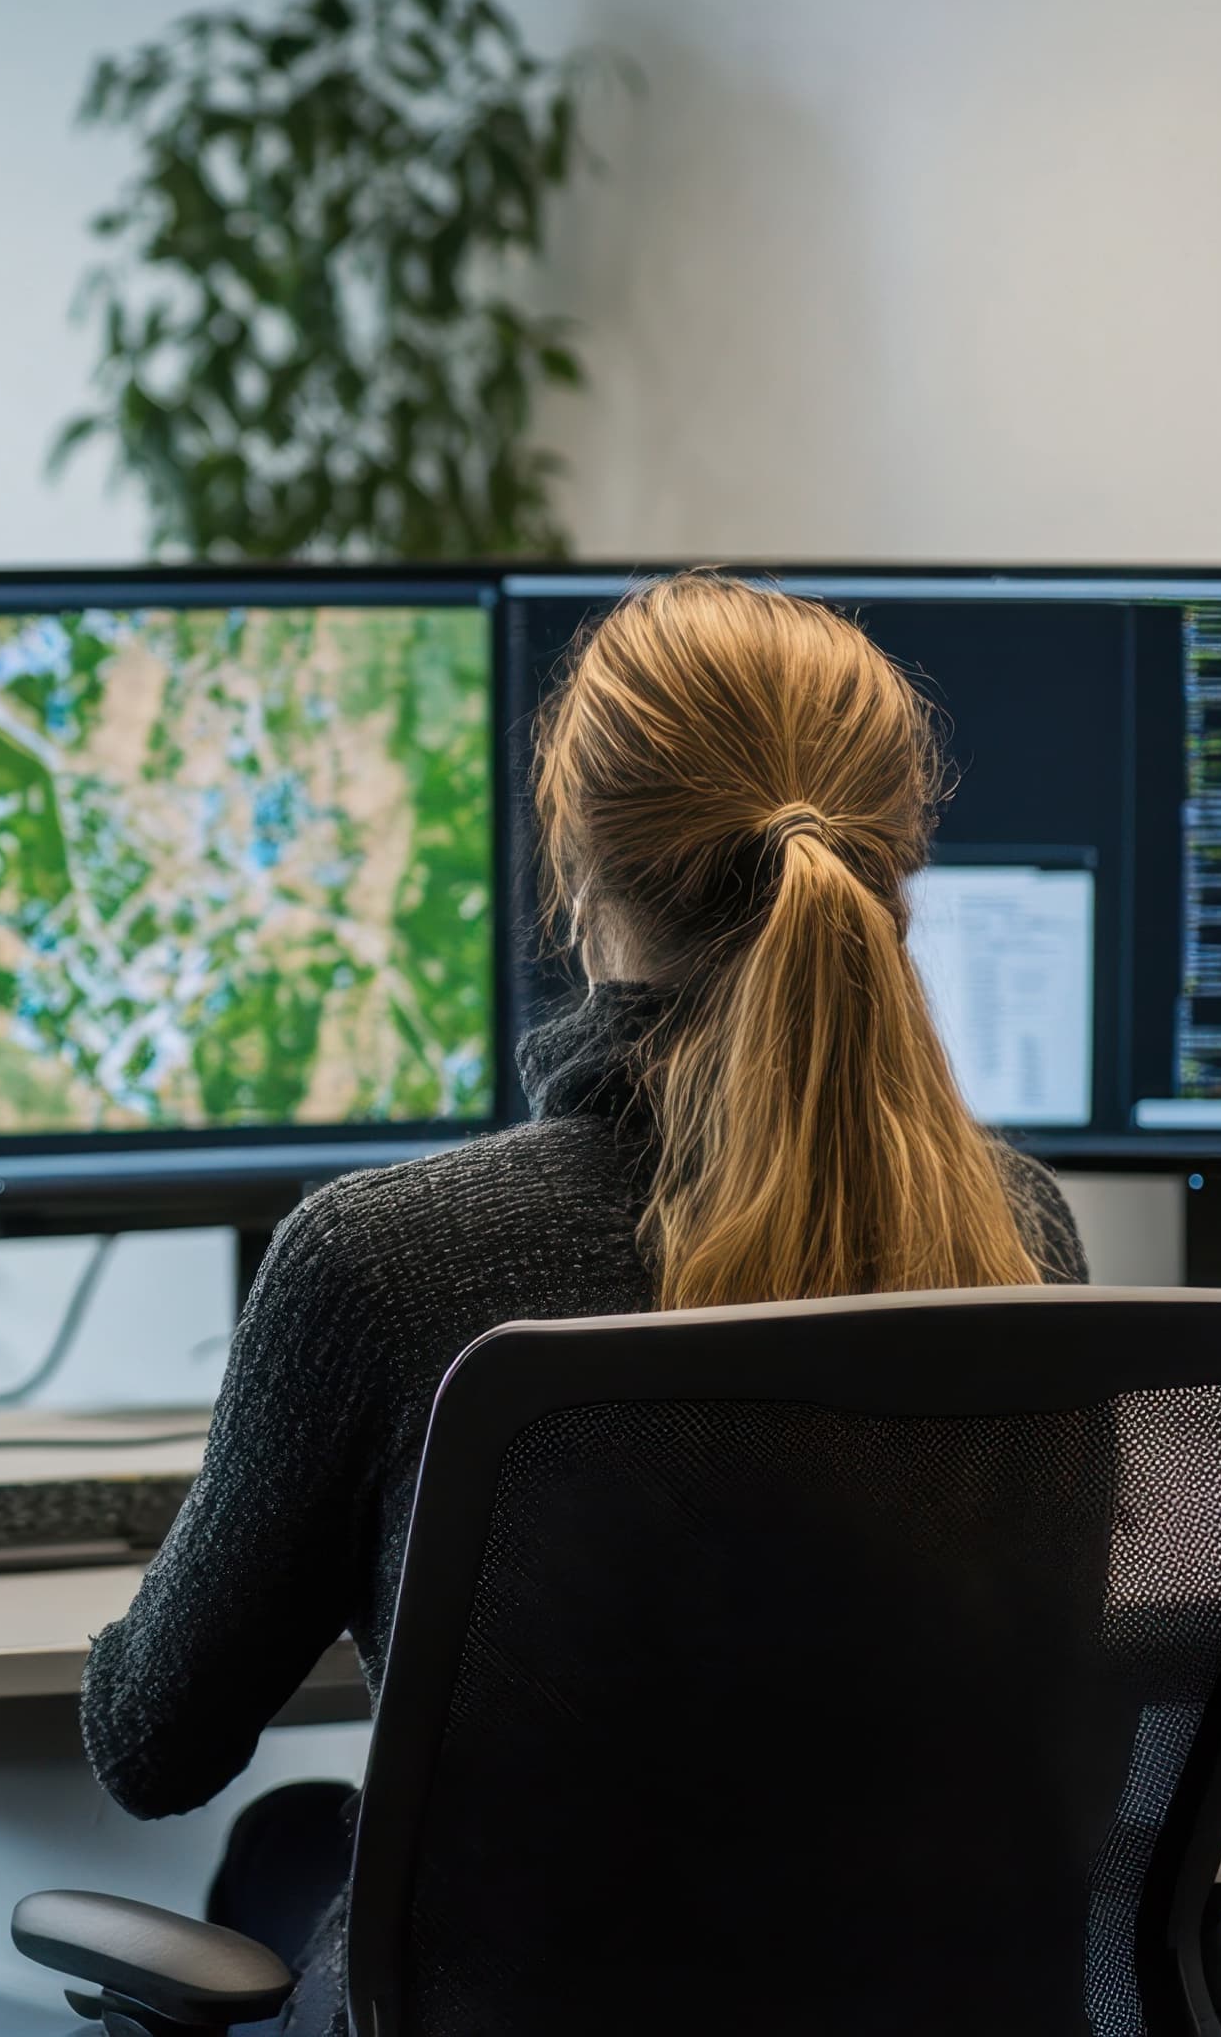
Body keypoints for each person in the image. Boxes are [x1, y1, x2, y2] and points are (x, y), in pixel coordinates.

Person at [79, 573, 1086, 2033]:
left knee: (284, 1857)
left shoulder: (383, 1262)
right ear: (901, 866)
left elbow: (150, 1744)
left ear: (574, 865)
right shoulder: (1018, 1233)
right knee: (294, 1849)